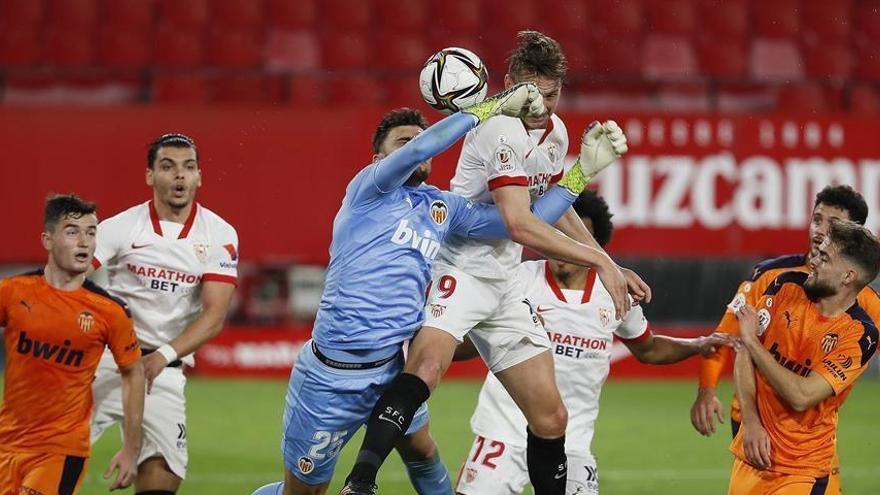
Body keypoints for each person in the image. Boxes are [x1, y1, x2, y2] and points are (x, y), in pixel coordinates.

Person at [252, 84, 611, 495]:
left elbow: (519, 222)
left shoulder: (441, 208)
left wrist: (579, 175)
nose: (417, 145)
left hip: (391, 368)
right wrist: (487, 107)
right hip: (333, 375)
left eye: (419, 137)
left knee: (422, 451)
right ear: (379, 159)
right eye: (404, 141)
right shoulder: (368, 190)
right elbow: (422, 150)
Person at [341, 31, 645, 495]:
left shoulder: (557, 131)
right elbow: (519, 224)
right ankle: (360, 482)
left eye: (552, 93)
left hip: (504, 281)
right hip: (461, 267)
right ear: (508, 83)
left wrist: (606, 258)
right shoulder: (498, 127)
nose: (542, 105)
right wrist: (598, 263)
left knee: (550, 416)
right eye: (533, 92)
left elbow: (553, 202)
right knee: (425, 370)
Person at [455, 191, 730, 495]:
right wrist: (510, 331)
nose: (562, 246)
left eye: (572, 238)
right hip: (504, 433)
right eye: (554, 234)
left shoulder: (613, 292)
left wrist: (696, 345)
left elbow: (649, 349)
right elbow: (470, 343)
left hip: (572, 442)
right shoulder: (518, 280)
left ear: (593, 246)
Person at [690, 185, 879, 492]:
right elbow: (731, 337)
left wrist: (751, 343)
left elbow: (803, 392)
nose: (820, 232)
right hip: (751, 427)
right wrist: (709, 388)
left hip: (807, 450)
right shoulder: (775, 280)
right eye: (817, 219)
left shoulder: (865, 318)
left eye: (831, 226)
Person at [89, 133, 239, 494]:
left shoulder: (219, 234)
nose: (179, 177)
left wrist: (163, 356)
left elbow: (214, 315)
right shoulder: (121, 227)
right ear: (149, 175)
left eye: (188, 168)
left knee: (162, 479)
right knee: (50, 455)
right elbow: (71, 276)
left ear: (199, 176)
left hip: (164, 369)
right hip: (106, 363)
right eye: (167, 167)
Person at [0, 194, 144, 494]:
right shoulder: (13, 292)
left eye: (91, 232)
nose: (84, 242)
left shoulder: (110, 311)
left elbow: (133, 372)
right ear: (47, 240)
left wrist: (131, 448)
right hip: (6, 443)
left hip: (60, 449)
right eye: (72, 231)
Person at [730, 219, 880, 495]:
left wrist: (753, 342)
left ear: (848, 277)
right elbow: (743, 352)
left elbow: (801, 397)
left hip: (801, 471)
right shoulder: (785, 285)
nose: (813, 261)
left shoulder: (859, 335)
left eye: (824, 257)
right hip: (752, 458)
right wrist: (750, 422)